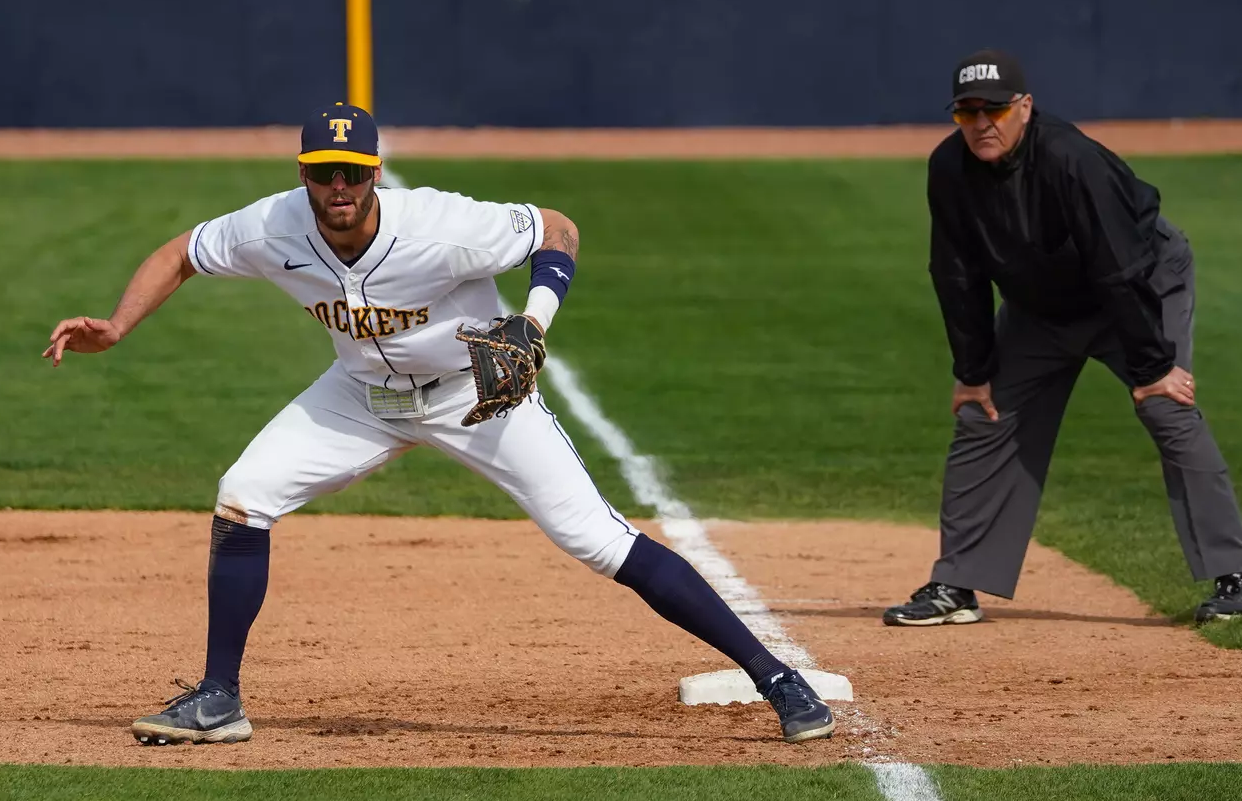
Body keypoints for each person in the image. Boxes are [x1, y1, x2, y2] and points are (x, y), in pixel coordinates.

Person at [44, 103, 835, 744]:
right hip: (357, 394)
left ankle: (777, 678)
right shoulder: (272, 226)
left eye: (353, 171)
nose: (340, 186)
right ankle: (219, 698)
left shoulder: (442, 225)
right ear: (304, 177)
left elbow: (556, 227)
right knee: (243, 495)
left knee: (596, 539)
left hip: (475, 393)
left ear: (375, 170)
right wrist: (117, 327)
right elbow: (183, 251)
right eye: (325, 174)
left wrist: (535, 319)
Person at [884, 51, 1242, 629]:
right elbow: (956, 272)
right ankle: (957, 584)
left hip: (1134, 285)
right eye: (967, 112)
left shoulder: (1070, 159)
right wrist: (973, 368)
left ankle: (1237, 578)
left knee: (1167, 407)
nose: (982, 123)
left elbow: (1119, 266)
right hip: (1042, 306)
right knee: (983, 413)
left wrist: (1151, 364)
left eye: (995, 110)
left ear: (1025, 108)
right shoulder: (950, 169)